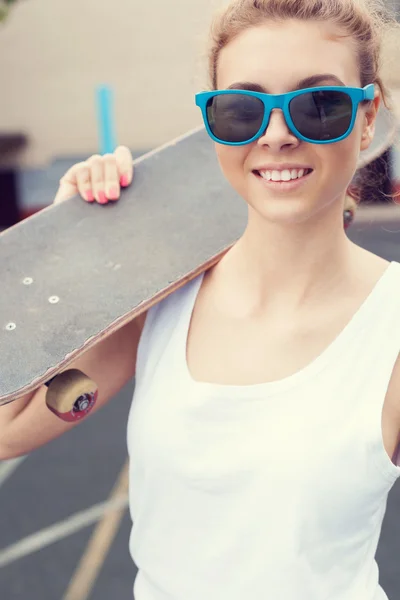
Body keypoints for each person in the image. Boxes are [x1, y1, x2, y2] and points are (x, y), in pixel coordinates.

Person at [1, 0, 400, 598]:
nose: (277, 135)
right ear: (212, 126)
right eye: (242, 109)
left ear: (367, 118)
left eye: (320, 105)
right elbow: (7, 431)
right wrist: (72, 261)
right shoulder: (156, 295)